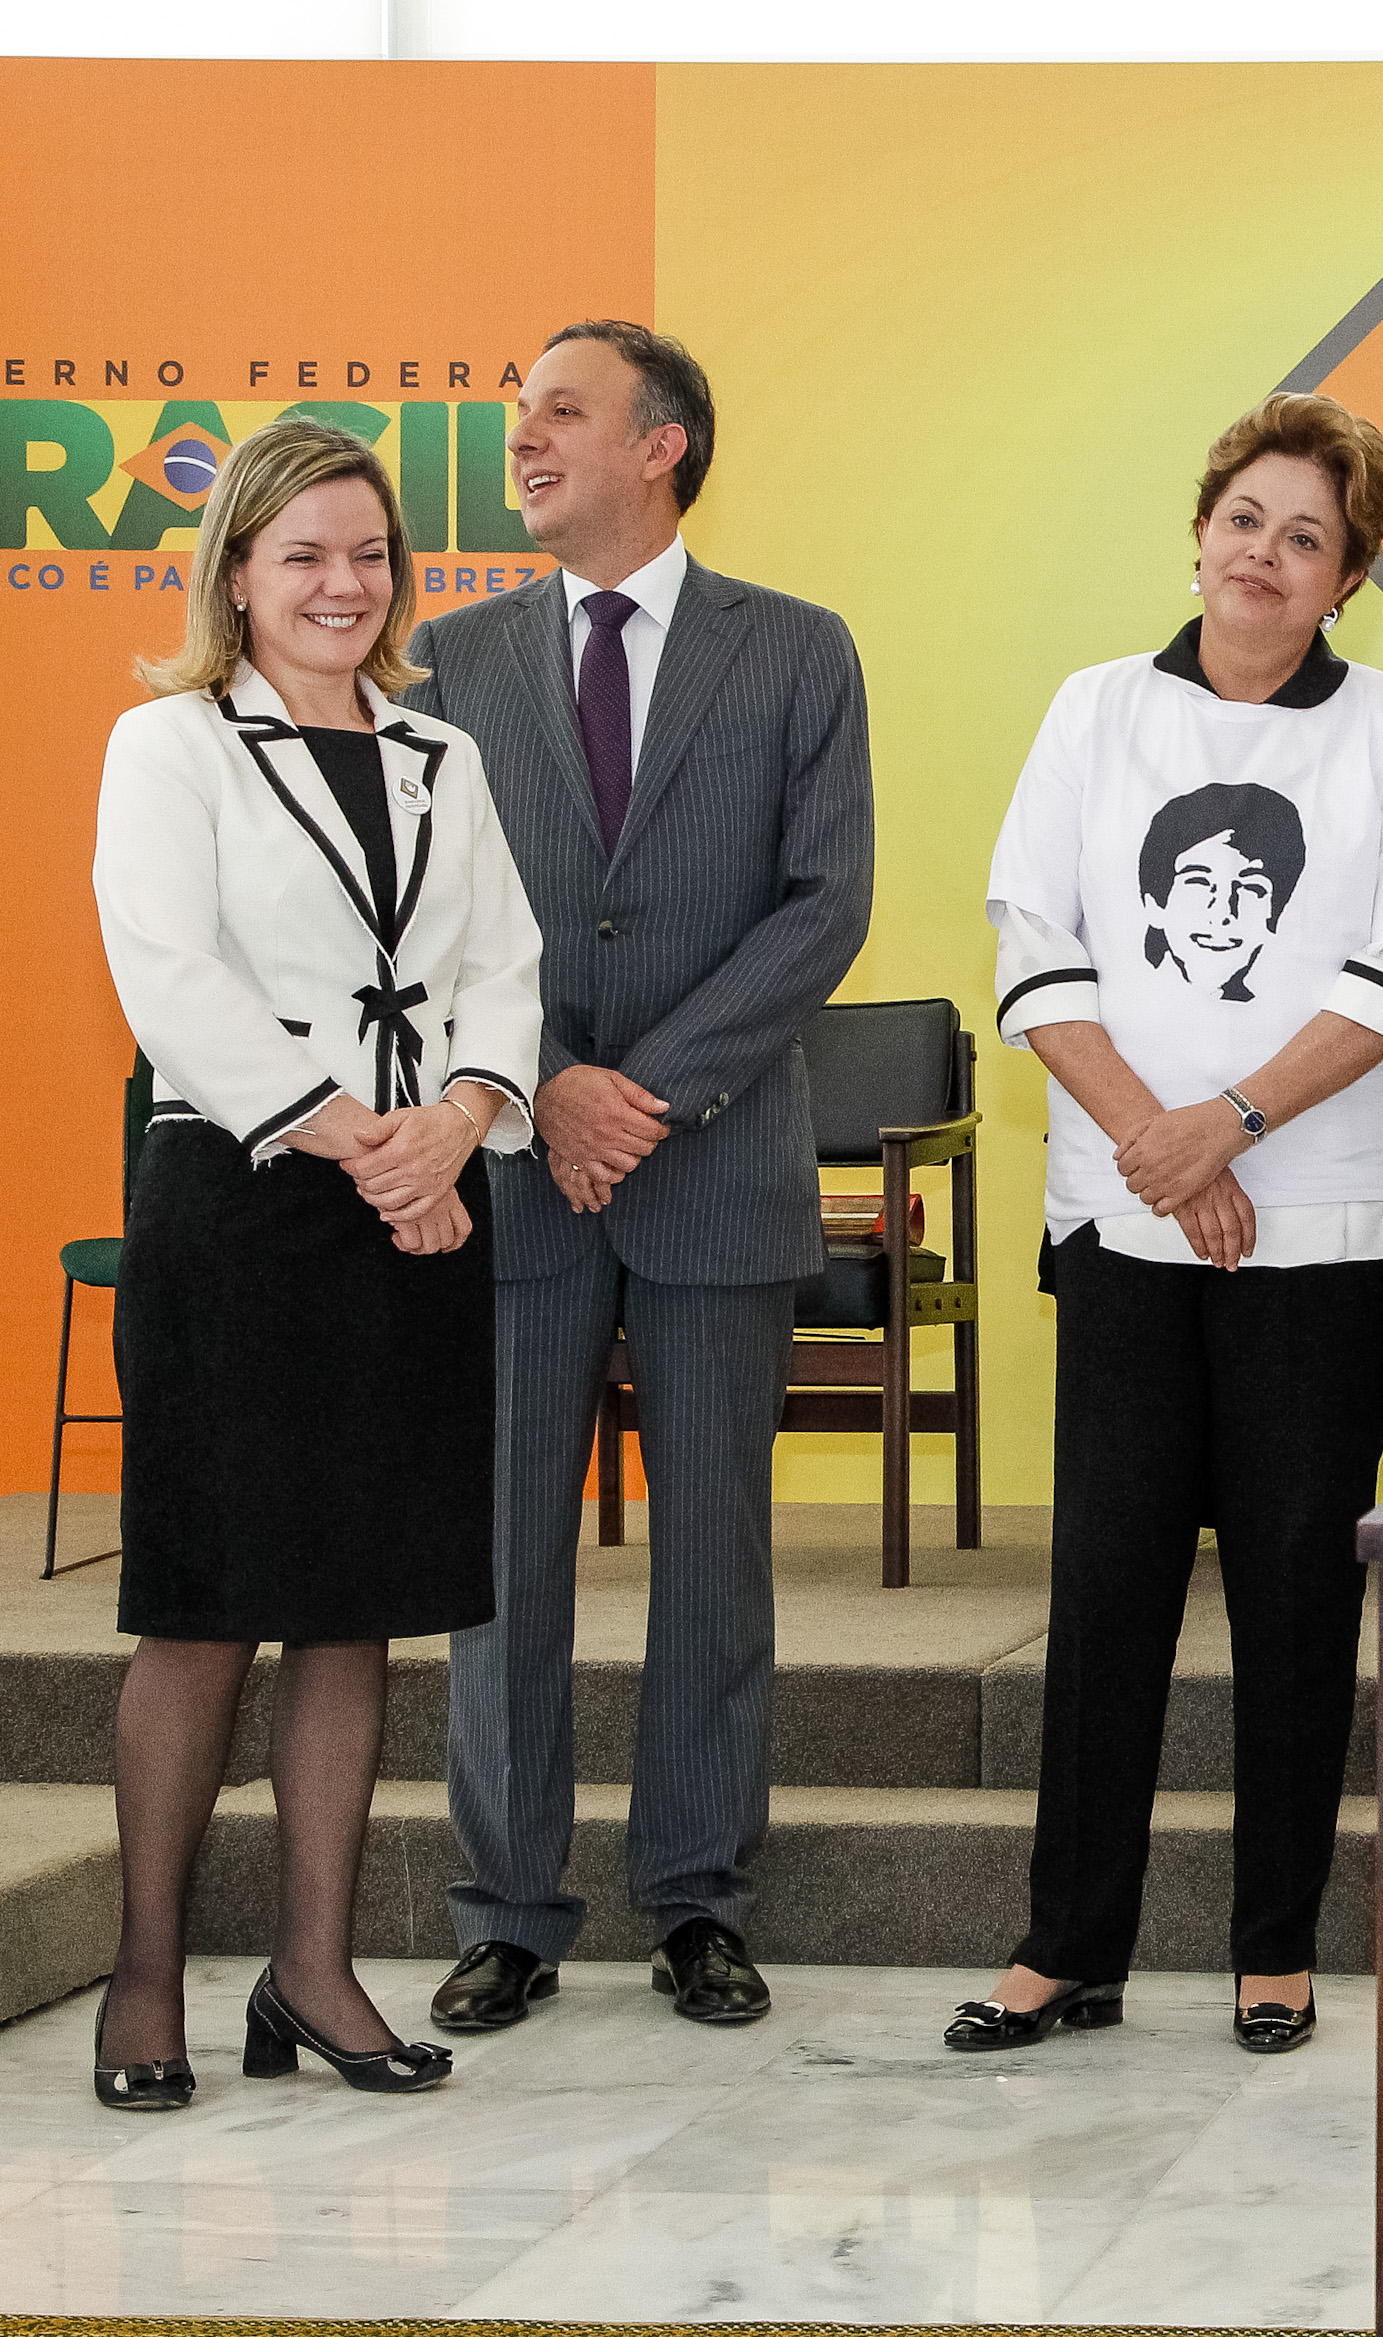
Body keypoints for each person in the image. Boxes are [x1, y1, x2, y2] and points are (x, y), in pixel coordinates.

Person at [967, 392, 1383, 2056]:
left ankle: (1274, 1945)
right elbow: (1035, 942)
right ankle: (1066, 1945)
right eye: (1244, 518)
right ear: (1198, 532)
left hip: (1329, 1223)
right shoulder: (1096, 708)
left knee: (1297, 1587)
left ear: (1346, 579)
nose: (1264, 553)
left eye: (1306, 536)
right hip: (1124, 1214)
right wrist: (1157, 1143)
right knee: (1106, 1582)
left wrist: (1227, 1123)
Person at [405, 321, 874, 2035]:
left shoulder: (798, 649)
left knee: (716, 1559)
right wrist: (542, 1084)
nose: (520, 440)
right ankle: (508, 1909)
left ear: (660, 444)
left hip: (715, 1166)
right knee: (501, 1559)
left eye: (559, 411)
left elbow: (825, 905)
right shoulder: (446, 659)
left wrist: (644, 1095)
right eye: (516, 413)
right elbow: (424, 914)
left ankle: (697, 1901)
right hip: (511, 1166)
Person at [90, 415, 544, 2107]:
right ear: (238, 574)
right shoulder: (168, 745)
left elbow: (504, 963)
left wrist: (462, 1119)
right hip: (245, 1203)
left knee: (355, 1614)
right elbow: (169, 974)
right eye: (303, 555)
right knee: (205, 1610)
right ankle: (144, 1984)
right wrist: (368, 1140)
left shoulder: (443, 754)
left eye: (368, 553)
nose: (342, 583)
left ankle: (313, 1972)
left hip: (420, 1201)